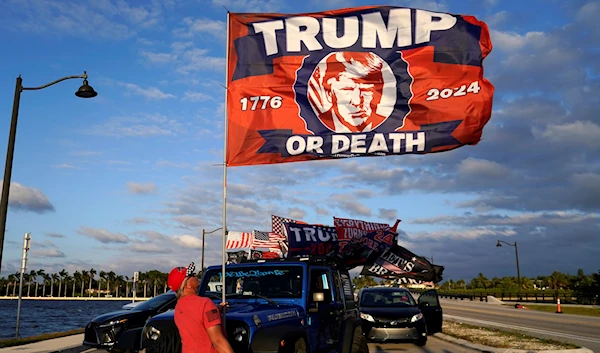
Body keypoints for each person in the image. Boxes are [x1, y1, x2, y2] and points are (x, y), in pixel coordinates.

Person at [167, 262, 234, 353]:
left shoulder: (179, 307)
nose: (195, 275)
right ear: (187, 285)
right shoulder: (205, 303)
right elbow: (218, 341)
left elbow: (195, 318)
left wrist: (216, 309)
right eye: (191, 275)